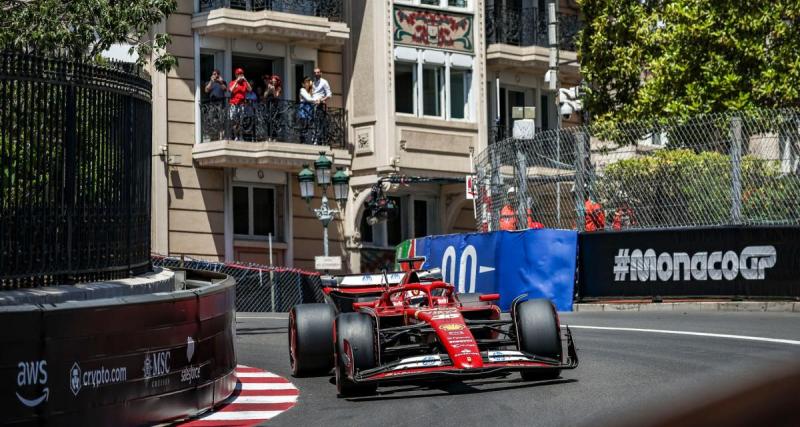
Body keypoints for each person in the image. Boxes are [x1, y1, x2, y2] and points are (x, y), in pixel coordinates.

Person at [228, 68, 252, 141]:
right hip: (233, 103)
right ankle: (235, 136)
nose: (240, 75)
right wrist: (236, 81)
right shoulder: (232, 82)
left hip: (241, 104)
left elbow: (250, 89)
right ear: (236, 75)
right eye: (239, 74)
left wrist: (246, 80)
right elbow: (231, 90)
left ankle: (240, 136)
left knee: (241, 121)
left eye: (241, 74)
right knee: (233, 120)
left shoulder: (244, 83)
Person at [298, 77, 319, 144]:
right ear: (303, 84)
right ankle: (303, 142)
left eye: (309, 82)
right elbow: (308, 99)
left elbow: (316, 95)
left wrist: (312, 86)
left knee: (309, 127)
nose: (308, 83)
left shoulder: (311, 91)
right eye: (306, 82)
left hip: (309, 111)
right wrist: (316, 100)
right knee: (303, 127)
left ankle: (312, 141)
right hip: (303, 111)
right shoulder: (302, 90)